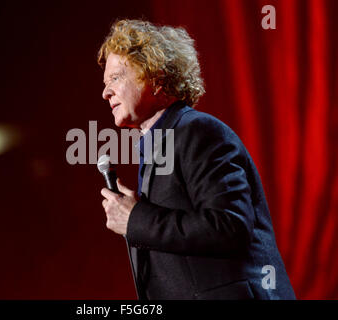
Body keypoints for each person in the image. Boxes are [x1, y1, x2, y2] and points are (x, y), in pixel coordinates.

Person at [99, 19, 296, 300]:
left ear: (154, 78)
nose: (105, 93)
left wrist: (136, 219)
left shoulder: (199, 132)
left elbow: (229, 225)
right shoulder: (159, 143)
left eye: (115, 78)